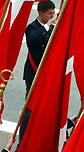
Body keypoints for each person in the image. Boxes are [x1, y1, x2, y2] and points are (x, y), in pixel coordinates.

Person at [20, 0, 56, 141]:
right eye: (50, 13)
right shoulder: (32, 28)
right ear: (41, 12)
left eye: (53, 13)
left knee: (46, 107)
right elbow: (34, 40)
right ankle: (23, 138)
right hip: (34, 73)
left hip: (48, 73)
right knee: (30, 107)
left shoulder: (51, 28)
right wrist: (48, 25)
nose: (52, 16)